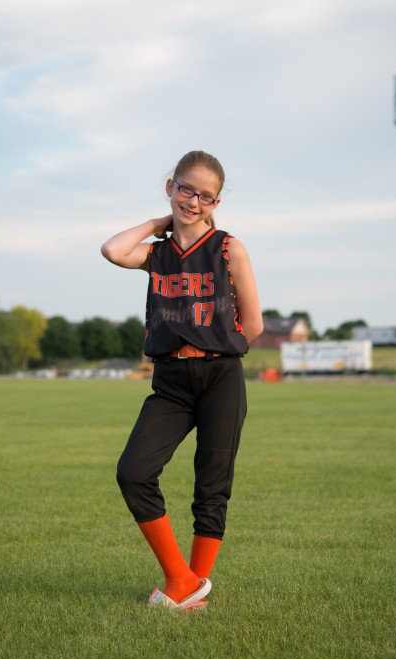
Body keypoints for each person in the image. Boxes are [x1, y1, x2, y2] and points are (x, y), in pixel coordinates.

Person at [100, 150, 263, 610]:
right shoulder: (158, 254)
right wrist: (158, 222)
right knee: (133, 472)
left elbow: (252, 323)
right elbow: (112, 250)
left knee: (211, 488)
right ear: (171, 186)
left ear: (216, 203)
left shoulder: (229, 248)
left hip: (220, 377)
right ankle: (181, 580)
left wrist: (214, 344)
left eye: (205, 196)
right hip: (170, 381)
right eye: (185, 189)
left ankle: (193, 590)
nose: (193, 201)